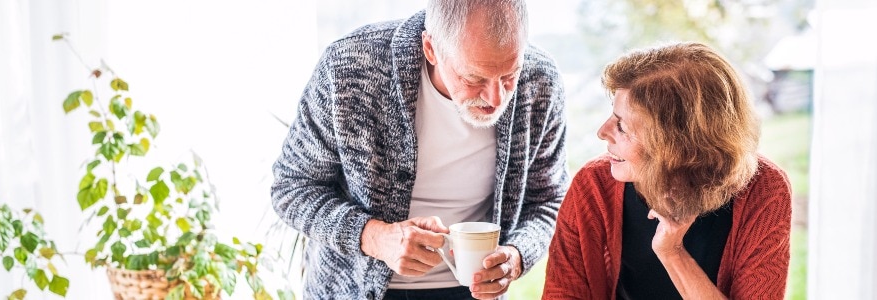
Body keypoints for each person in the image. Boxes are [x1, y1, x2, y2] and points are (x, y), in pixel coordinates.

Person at [271, 0, 568, 299]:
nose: (496, 98)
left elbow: (549, 201)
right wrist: (374, 237)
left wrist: (517, 256)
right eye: (474, 79)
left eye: (509, 76)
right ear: (431, 48)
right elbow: (292, 187)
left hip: (471, 292)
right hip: (355, 289)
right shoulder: (349, 66)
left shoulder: (540, 81)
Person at [542, 42, 792, 299]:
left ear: (676, 145)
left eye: (622, 126)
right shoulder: (593, 185)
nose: (602, 132)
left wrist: (672, 252)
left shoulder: (764, 188)